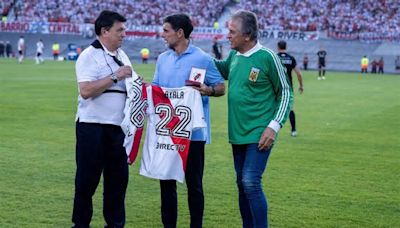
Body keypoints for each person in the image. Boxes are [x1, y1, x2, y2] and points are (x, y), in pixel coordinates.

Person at [214, 10, 292, 228]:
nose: (227, 35)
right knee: (242, 184)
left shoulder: (268, 57)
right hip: (237, 133)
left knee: (250, 182)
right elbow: (221, 69)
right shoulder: (235, 56)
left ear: (247, 35)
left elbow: (285, 93)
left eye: (232, 31)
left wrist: (273, 127)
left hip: (260, 132)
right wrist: (193, 54)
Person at [152, 13, 225, 228]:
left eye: (166, 30)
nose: (162, 35)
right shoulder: (163, 58)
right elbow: (156, 89)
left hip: (194, 133)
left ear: (180, 32)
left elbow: (220, 87)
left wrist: (208, 90)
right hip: (167, 132)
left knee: (194, 186)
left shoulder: (202, 58)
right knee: (166, 185)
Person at [72, 10, 134, 228]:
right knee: (87, 181)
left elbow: (126, 84)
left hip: (117, 127)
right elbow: (86, 90)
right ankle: (80, 224)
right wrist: (116, 76)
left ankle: (115, 224)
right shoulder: (89, 55)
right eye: (120, 30)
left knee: (118, 181)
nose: (124, 34)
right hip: (92, 126)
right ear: (104, 31)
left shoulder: (122, 55)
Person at [276, 40, 304, 137]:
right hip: (288, 87)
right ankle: (293, 130)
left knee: (272, 108)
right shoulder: (291, 58)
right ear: (286, 47)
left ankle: (270, 130)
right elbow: (299, 74)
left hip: (276, 87)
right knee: (290, 109)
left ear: (278, 47)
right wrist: (301, 86)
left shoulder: (275, 57)